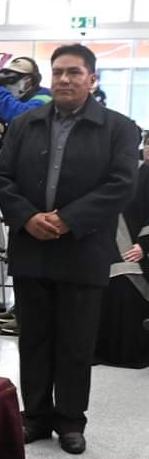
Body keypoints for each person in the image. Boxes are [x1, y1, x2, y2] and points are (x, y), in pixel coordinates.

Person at [0, 43, 139, 454]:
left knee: (76, 342)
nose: (64, 79)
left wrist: (67, 219)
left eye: (74, 72)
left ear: (91, 79)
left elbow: (121, 185)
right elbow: (2, 178)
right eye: (58, 72)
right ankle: (36, 416)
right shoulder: (25, 124)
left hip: (83, 249)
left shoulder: (119, 128)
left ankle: (71, 420)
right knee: (33, 338)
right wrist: (27, 218)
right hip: (32, 246)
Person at [95, 150, 149, 368]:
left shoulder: (143, 173)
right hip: (103, 245)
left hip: (135, 247)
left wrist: (144, 245)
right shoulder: (106, 171)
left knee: (127, 285)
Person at [0, 56, 52, 124]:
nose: (8, 84)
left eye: (12, 79)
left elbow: (19, 116)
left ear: (28, 80)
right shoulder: (19, 99)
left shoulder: (45, 98)